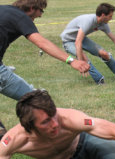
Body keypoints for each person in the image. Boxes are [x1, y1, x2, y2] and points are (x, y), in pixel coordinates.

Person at [0, 0, 89, 142]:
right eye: (41, 11)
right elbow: (42, 42)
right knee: (38, 100)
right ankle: (69, 137)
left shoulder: (3, 10)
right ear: (30, 8)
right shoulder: (20, 17)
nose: (40, 15)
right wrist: (72, 60)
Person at [60, 3, 115, 85]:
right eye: (110, 16)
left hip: (81, 38)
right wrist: (81, 61)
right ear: (103, 15)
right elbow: (78, 42)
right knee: (84, 57)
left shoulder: (103, 24)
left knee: (104, 54)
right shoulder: (88, 21)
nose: (111, 18)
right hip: (68, 41)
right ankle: (100, 80)